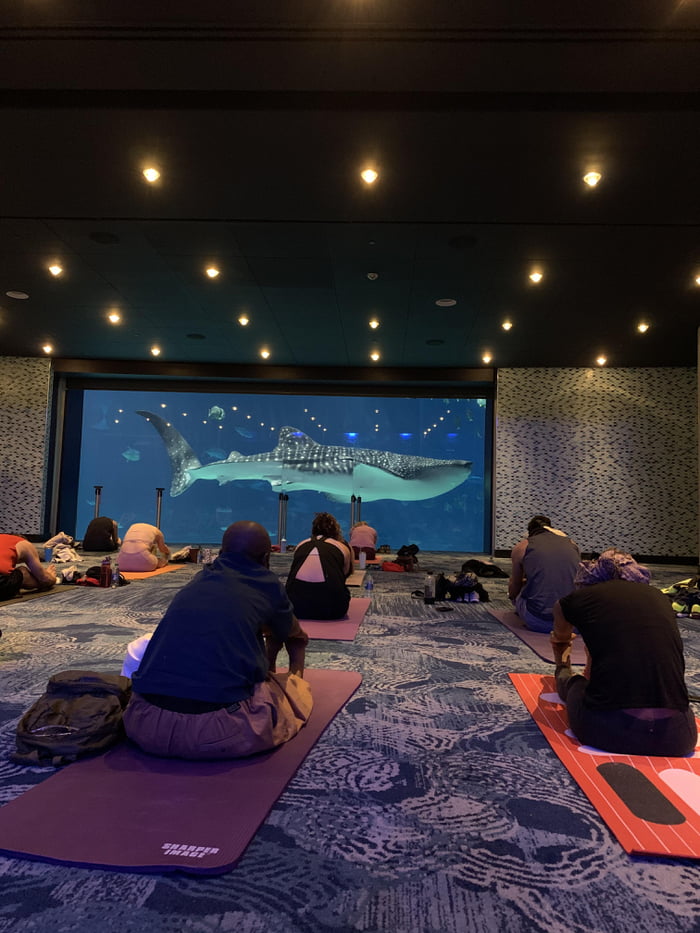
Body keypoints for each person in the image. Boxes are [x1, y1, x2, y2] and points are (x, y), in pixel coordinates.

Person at [123, 520, 312, 760]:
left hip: (143, 722)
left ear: (221, 553)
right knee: (296, 694)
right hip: (217, 731)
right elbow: (292, 634)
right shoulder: (268, 584)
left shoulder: (199, 580)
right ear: (266, 558)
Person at [551, 548, 697, 757]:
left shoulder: (576, 599)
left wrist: (562, 655)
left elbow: (560, 639)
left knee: (574, 683)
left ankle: (562, 672)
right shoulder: (659, 597)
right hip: (678, 737)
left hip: (609, 731)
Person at [508, 514, 580, 633]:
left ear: (530, 532)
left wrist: (512, 596)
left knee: (520, 589)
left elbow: (515, 586)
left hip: (539, 621)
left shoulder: (522, 547)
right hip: (573, 622)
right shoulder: (572, 544)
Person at [286, 512, 352, 620]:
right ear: (336, 529)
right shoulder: (342, 547)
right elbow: (345, 574)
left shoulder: (301, 545)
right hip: (332, 609)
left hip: (296, 607)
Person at [0, 534, 57, 602]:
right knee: (22, 571)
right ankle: (39, 585)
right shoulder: (24, 543)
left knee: (12, 574)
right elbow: (45, 579)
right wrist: (52, 578)